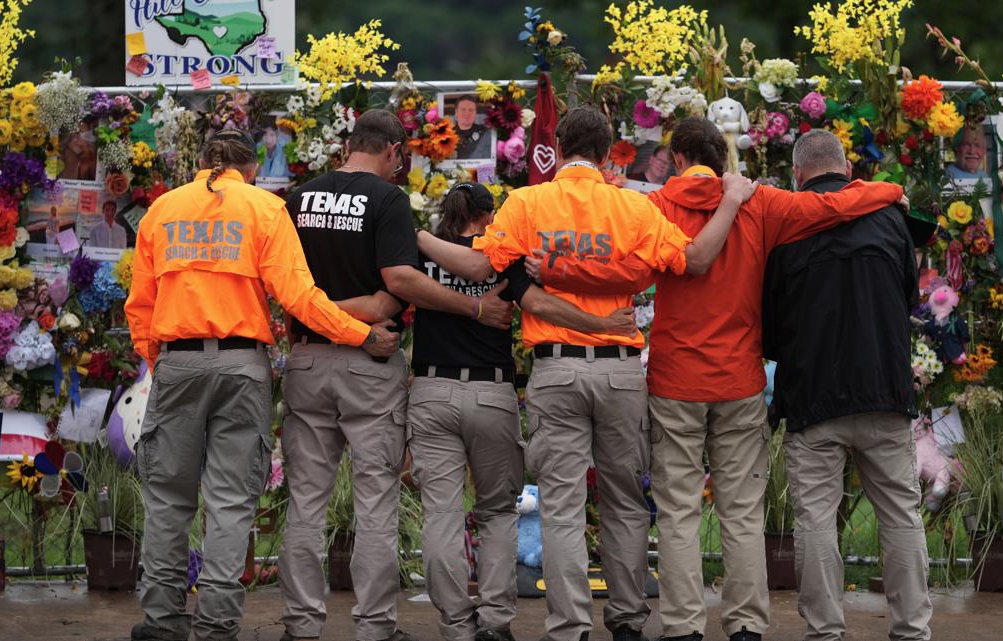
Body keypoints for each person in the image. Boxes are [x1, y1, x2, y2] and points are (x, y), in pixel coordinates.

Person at [527, 118, 908, 641]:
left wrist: (552, 270)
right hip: (739, 379)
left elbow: (621, 271)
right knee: (742, 512)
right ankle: (746, 624)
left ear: (679, 159)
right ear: (723, 160)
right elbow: (830, 205)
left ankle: (683, 626)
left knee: (678, 513)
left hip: (675, 381)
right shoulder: (760, 203)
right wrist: (888, 190)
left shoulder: (655, 206)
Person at [420, 106, 760, 641]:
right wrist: (734, 200)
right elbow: (693, 259)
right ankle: (626, 620)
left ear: (557, 149)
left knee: (561, 505)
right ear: (606, 156)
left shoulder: (527, 203)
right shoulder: (634, 207)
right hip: (620, 371)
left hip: (556, 369)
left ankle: (570, 626)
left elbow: (483, 265)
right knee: (626, 502)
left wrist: (415, 239)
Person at [124, 129, 395, 641]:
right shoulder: (264, 209)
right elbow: (300, 298)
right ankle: (217, 623)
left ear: (201, 163)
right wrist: (361, 334)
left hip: (177, 362)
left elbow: (140, 307)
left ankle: (162, 620)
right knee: (229, 501)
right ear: (250, 170)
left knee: (167, 499)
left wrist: (162, 364)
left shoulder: (161, 211)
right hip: (242, 365)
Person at [278, 109, 513, 641]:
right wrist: (473, 308)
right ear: (392, 151)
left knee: (306, 501)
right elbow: (400, 281)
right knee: (376, 501)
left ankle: (301, 624)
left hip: (309, 358)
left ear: (348, 146)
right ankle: (374, 626)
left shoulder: (299, 199)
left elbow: (287, 287)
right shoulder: (387, 200)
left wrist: (320, 314)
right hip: (371, 361)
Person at [403, 182, 636, 641]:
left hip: (431, 389)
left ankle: (455, 625)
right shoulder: (502, 255)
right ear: (488, 217)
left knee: (441, 514)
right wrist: (602, 326)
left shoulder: (423, 255)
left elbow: (399, 286)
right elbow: (540, 303)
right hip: (491, 392)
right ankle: (495, 621)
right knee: (496, 511)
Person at [762, 129, 932, 641]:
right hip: (884, 389)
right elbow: (909, 298)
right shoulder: (891, 219)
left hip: (814, 397)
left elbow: (769, 325)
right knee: (900, 514)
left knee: (815, 520)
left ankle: (825, 631)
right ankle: (912, 630)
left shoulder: (786, 226)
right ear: (849, 170)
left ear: (797, 175)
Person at [453, 95, 495, 160]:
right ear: (456, 112)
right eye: (463, 109)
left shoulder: (486, 133)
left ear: (476, 113)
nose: (467, 113)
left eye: (471, 110)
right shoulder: (447, 135)